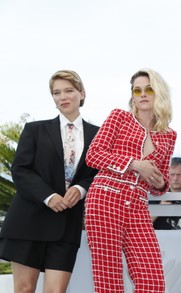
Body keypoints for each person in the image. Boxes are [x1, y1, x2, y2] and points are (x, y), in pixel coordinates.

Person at [0, 70, 99, 292]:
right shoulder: (35, 130)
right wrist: (49, 196)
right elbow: (20, 170)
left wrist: (81, 188)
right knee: (24, 289)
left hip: (67, 223)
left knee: (56, 291)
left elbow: (100, 174)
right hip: (28, 220)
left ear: (81, 94)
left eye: (68, 91)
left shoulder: (99, 135)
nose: (62, 97)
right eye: (56, 92)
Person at [85, 68, 176, 293]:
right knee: (109, 279)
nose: (142, 94)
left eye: (149, 89)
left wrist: (158, 183)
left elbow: (162, 182)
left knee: (152, 281)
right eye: (137, 90)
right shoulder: (119, 117)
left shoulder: (168, 134)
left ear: (159, 93)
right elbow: (93, 154)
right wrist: (134, 164)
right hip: (105, 198)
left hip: (137, 205)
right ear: (132, 96)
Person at [152, 157, 181, 230]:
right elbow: (141, 223)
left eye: (179, 174)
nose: (175, 178)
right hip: (160, 239)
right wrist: (158, 210)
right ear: (167, 175)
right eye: (172, 174)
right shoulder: (157, 196)